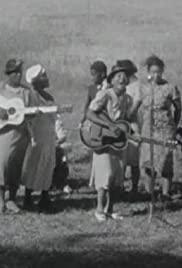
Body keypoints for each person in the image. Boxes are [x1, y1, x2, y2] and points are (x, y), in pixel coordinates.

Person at [87, 62, 133, 221]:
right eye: (118, 76)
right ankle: (99, 210)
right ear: (111, 80)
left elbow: (125, 121)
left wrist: (132, 133)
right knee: (104, 175)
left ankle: (110, 209)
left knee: (116, 176)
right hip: (103, 140)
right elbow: (90, 114)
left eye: (125, 76)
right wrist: (109, 126)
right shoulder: (105, 94)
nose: (122, 78)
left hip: (118, 142)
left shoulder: (128, 99)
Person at [140, 55, 181, 200]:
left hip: (165, 130)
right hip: (148, 130)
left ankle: (165, 193)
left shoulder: (170, 88)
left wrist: (175, 126)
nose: (156, 74)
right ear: (148, 72)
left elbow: (178, 108)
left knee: (166, 163)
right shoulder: (144, 88)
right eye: (153, 71)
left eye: (159, 71)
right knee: (148, 163)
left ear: (163, 71)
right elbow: (138, 108)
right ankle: (149, 193)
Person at [22, 64, 56, 212]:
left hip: (48, 135)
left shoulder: (49, 97)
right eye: (44, 76)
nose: (47, 78)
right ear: (36, 80)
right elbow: (25, 116)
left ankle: (45, 195)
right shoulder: (30, 95)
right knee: (33, 165)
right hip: (35, 136)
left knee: (48, 164)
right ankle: (28, 197)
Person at [0, 59, 31, 213]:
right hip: (4, 133)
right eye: (15, 72)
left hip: (21, 134)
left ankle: (11, 199)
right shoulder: (1, 89)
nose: (19, 75)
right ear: (9, 74)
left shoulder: (26, 92)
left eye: (20, 72)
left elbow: (30, 112)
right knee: (2, 163)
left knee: (15, 165)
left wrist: (34, 113)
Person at [80, 61, 107, 188]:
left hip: (105, 124)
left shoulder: (109, 88)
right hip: (94, 123)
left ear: (102, 74)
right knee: (95, 149)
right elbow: (87, 105)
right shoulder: (91, 88)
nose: (92, 78)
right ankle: (95, 179)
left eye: (94, 75)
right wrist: (83, 120)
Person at [116, 60, 141, 195]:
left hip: (131, 124)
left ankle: (134, 187)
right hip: (123, 124)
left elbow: (133, 110)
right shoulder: (128, 85)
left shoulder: (136, 87)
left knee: (133, 160)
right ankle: (121, 186)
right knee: (123, 158)